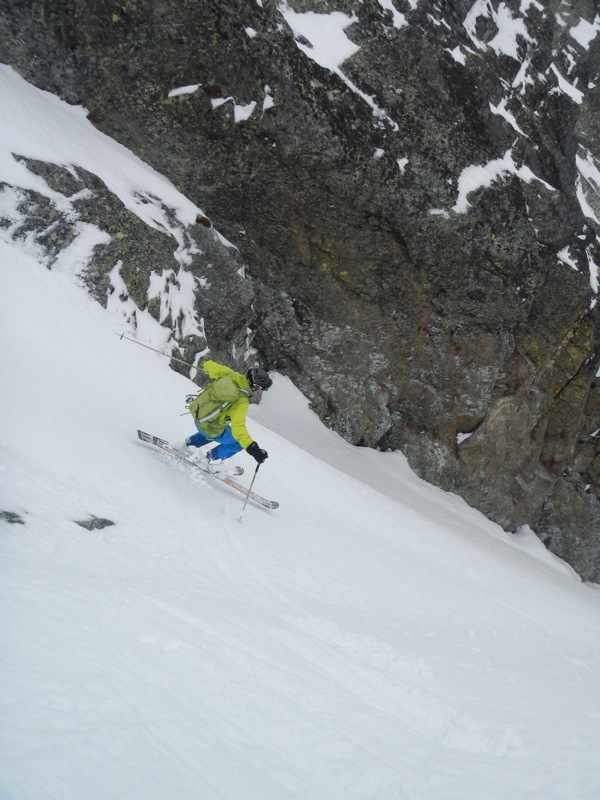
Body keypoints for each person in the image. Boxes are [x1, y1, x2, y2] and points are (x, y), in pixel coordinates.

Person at [185, 359, 272, 467]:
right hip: (209, 429)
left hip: (197, 413)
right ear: (255, 387)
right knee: (237, 443)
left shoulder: (229, 374)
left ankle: (191, 443)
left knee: (222, 428)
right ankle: (212, 459)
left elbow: (208, 365)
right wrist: (253, 449)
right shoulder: (241, 401)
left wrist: (206, 367)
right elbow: (238, 428)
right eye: (260, 389)